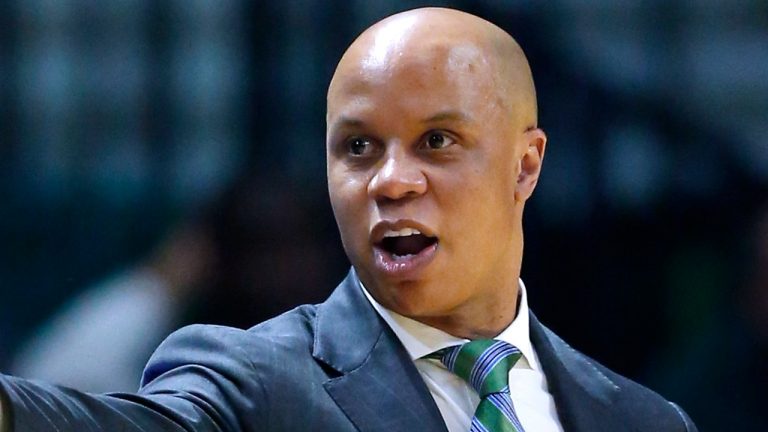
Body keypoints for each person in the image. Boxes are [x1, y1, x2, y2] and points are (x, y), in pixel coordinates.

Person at [0, 7, 697, 432]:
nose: (391, 180)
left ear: (525, 165)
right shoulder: (254, 382)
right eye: (358, 147)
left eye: (436, 141)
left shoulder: (645, 420)